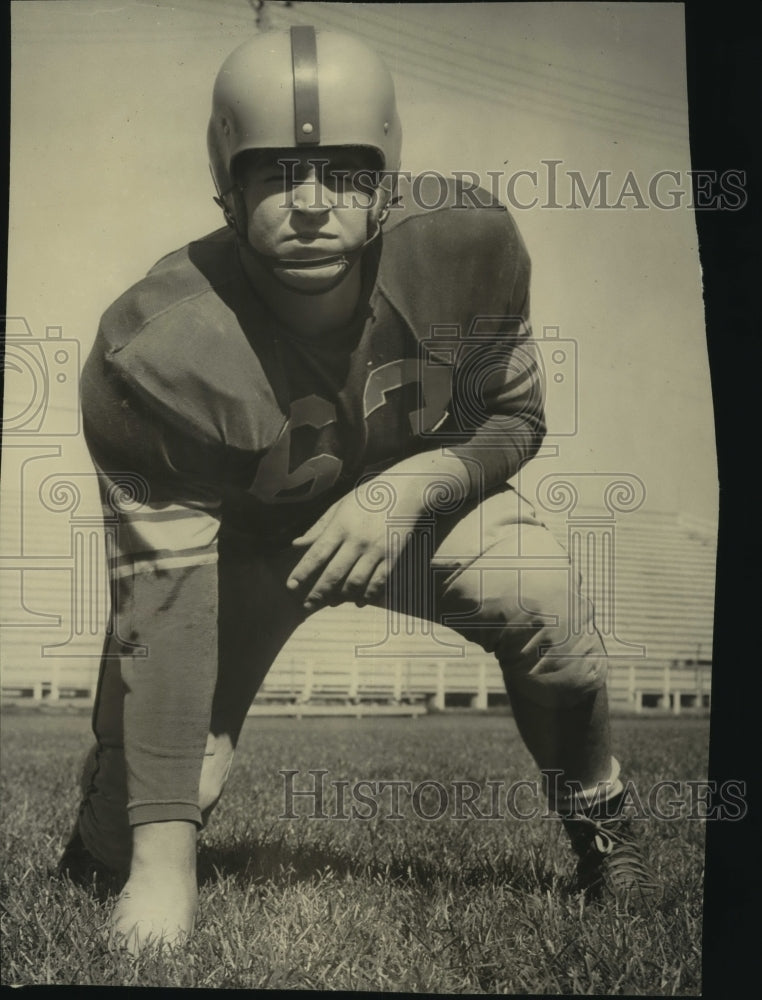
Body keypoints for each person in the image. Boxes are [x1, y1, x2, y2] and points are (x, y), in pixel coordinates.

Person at [61, 26, 658, 953]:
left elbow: (515, 420)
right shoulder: (157, 351)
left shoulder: (467, 244)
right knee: (159, 811)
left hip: (407, 516)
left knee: (547, 601)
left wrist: (409, 488)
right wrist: (162, 867)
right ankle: (103, 843)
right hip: (238, 554)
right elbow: (168, 612)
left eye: (344, 170)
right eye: (275, 173)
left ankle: (604, 826)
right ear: (226, 182)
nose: (310, 205)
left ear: (388, 176)